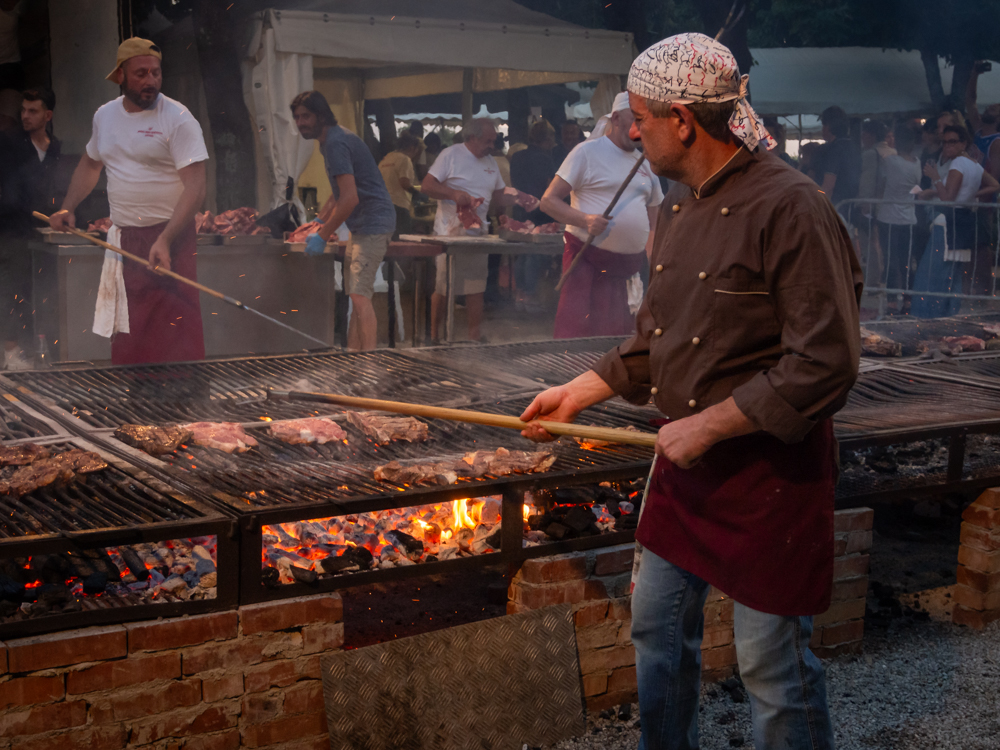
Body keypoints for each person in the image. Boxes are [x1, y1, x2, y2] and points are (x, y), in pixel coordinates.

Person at [521, 32, 862, 750]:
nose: (630, 130)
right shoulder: (677, 206)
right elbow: (657, 338)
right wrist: (578, 391)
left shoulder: (790, 207)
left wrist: (707, 427)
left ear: (682, 118)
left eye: (639, 117)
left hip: (770, 473)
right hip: (685, 469)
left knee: (770, 664)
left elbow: (825, 363)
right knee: (655, 630)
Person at [50, 38, 208, 365]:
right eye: (140, 74)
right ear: (120, 75)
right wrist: (69, 206)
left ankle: (185, 402)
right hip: (125, 239)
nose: (150, 81)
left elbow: (196, 186)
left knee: (175, 326)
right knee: (130, 327)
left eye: (155, 73)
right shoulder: (105, 117)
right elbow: (92, 164)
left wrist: (165, 239)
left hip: (171, 236)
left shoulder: (178, 118)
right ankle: (136, 399)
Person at [540, 92, 662, 338]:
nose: (641, 127)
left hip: (628, 270)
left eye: (645, 120)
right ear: (616, 118)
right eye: (635, 119)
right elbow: (548, 201)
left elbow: (654, 225)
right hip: (587, 262)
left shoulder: (647, 163)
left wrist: (657, 267)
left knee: (619, 339)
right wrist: (584, 220)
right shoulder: (586, 153)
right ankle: (573, 374)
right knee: (578, 333)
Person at [292, 90, 396, 352]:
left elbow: (349, 199)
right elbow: (339, 193)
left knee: (360, 296)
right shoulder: (331, 141)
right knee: (356, 294)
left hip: (373, 223)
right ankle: (352, 355)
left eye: (306, 116)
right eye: (296, 118)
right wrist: (318, 221)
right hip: (363, 225)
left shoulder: (336, 143)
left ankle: (369, 362)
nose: (300, 122)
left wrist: (323, 235)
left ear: (321, 115)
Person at [420, 117, 538, 342]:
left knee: (476, 286)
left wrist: (518, 198)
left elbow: (498, 194)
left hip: (477, 232)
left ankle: (474, 337)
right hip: (449, 232)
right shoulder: (450, 155)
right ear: (471, 138)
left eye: (494, 141)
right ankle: (434, 337)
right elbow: (427, 185)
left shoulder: (491, 162)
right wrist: (453, 194)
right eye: (488, 141)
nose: (492, 146)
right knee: (444, 287)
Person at [0, 87, 62, 368]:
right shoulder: (8, 143)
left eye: (32, 111)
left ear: (47, 115)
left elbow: (55, 189)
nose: (25, 116)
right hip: (11, 230)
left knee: (42, 291)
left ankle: (39, 349)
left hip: (42, 232)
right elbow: (8, 191)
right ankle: (10, 354)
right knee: (12, 290)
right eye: (23, 110)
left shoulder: (55, 147)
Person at [912, 125, 1000, 317]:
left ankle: (925, 317)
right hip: (963, 223)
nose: (946, 146)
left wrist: (935, 178)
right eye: (944, 142)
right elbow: (994, 185)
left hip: (947, 222)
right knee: (953, 275)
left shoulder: (958, 163)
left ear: (963, 143)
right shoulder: (974, 164)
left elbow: (949, 199)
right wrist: (971, 195)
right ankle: (947, 315)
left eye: (952, 141)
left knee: (932, 274)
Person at [510, 120, 558, 311]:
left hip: (520, 208)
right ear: (547, 139)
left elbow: (514, 182)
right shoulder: (546, 159)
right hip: (540, 210)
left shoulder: (517, 156)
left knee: (522, 252)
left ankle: (520, 293)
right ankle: (530, 294)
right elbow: (549, 188)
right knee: (534, 254)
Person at [875, 121, 922, 311]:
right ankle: (908, 298)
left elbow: (881, 184)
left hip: (888, 217)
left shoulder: (891, 162)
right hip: (909, 217)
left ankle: (892, 301)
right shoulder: (917, 163)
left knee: (891, 259)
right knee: (906, 260)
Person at [815, 105, 861, 222]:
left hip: (835, 210)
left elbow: (828, 186)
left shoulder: (835, 149)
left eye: (823, 125)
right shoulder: (854, 147)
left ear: (829, 126)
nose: (822, 129)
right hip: (850, 208)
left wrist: (816, 200)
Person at [378, 131, 423, 238]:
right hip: (399, 206)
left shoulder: (386, 158)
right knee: (402, 239)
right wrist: (417, 194)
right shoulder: (405, 159)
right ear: (412, 148)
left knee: (388, 240)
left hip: (383, 204)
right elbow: (404, 182)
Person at [966, 61, 1000, 181]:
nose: (989, 108)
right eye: (989, 107)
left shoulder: (996, 143)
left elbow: (994, 179)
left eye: (994, 109)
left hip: (982, 196)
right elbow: (971, 101)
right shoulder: (979, 130)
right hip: (971, 191)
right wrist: (974, 74)